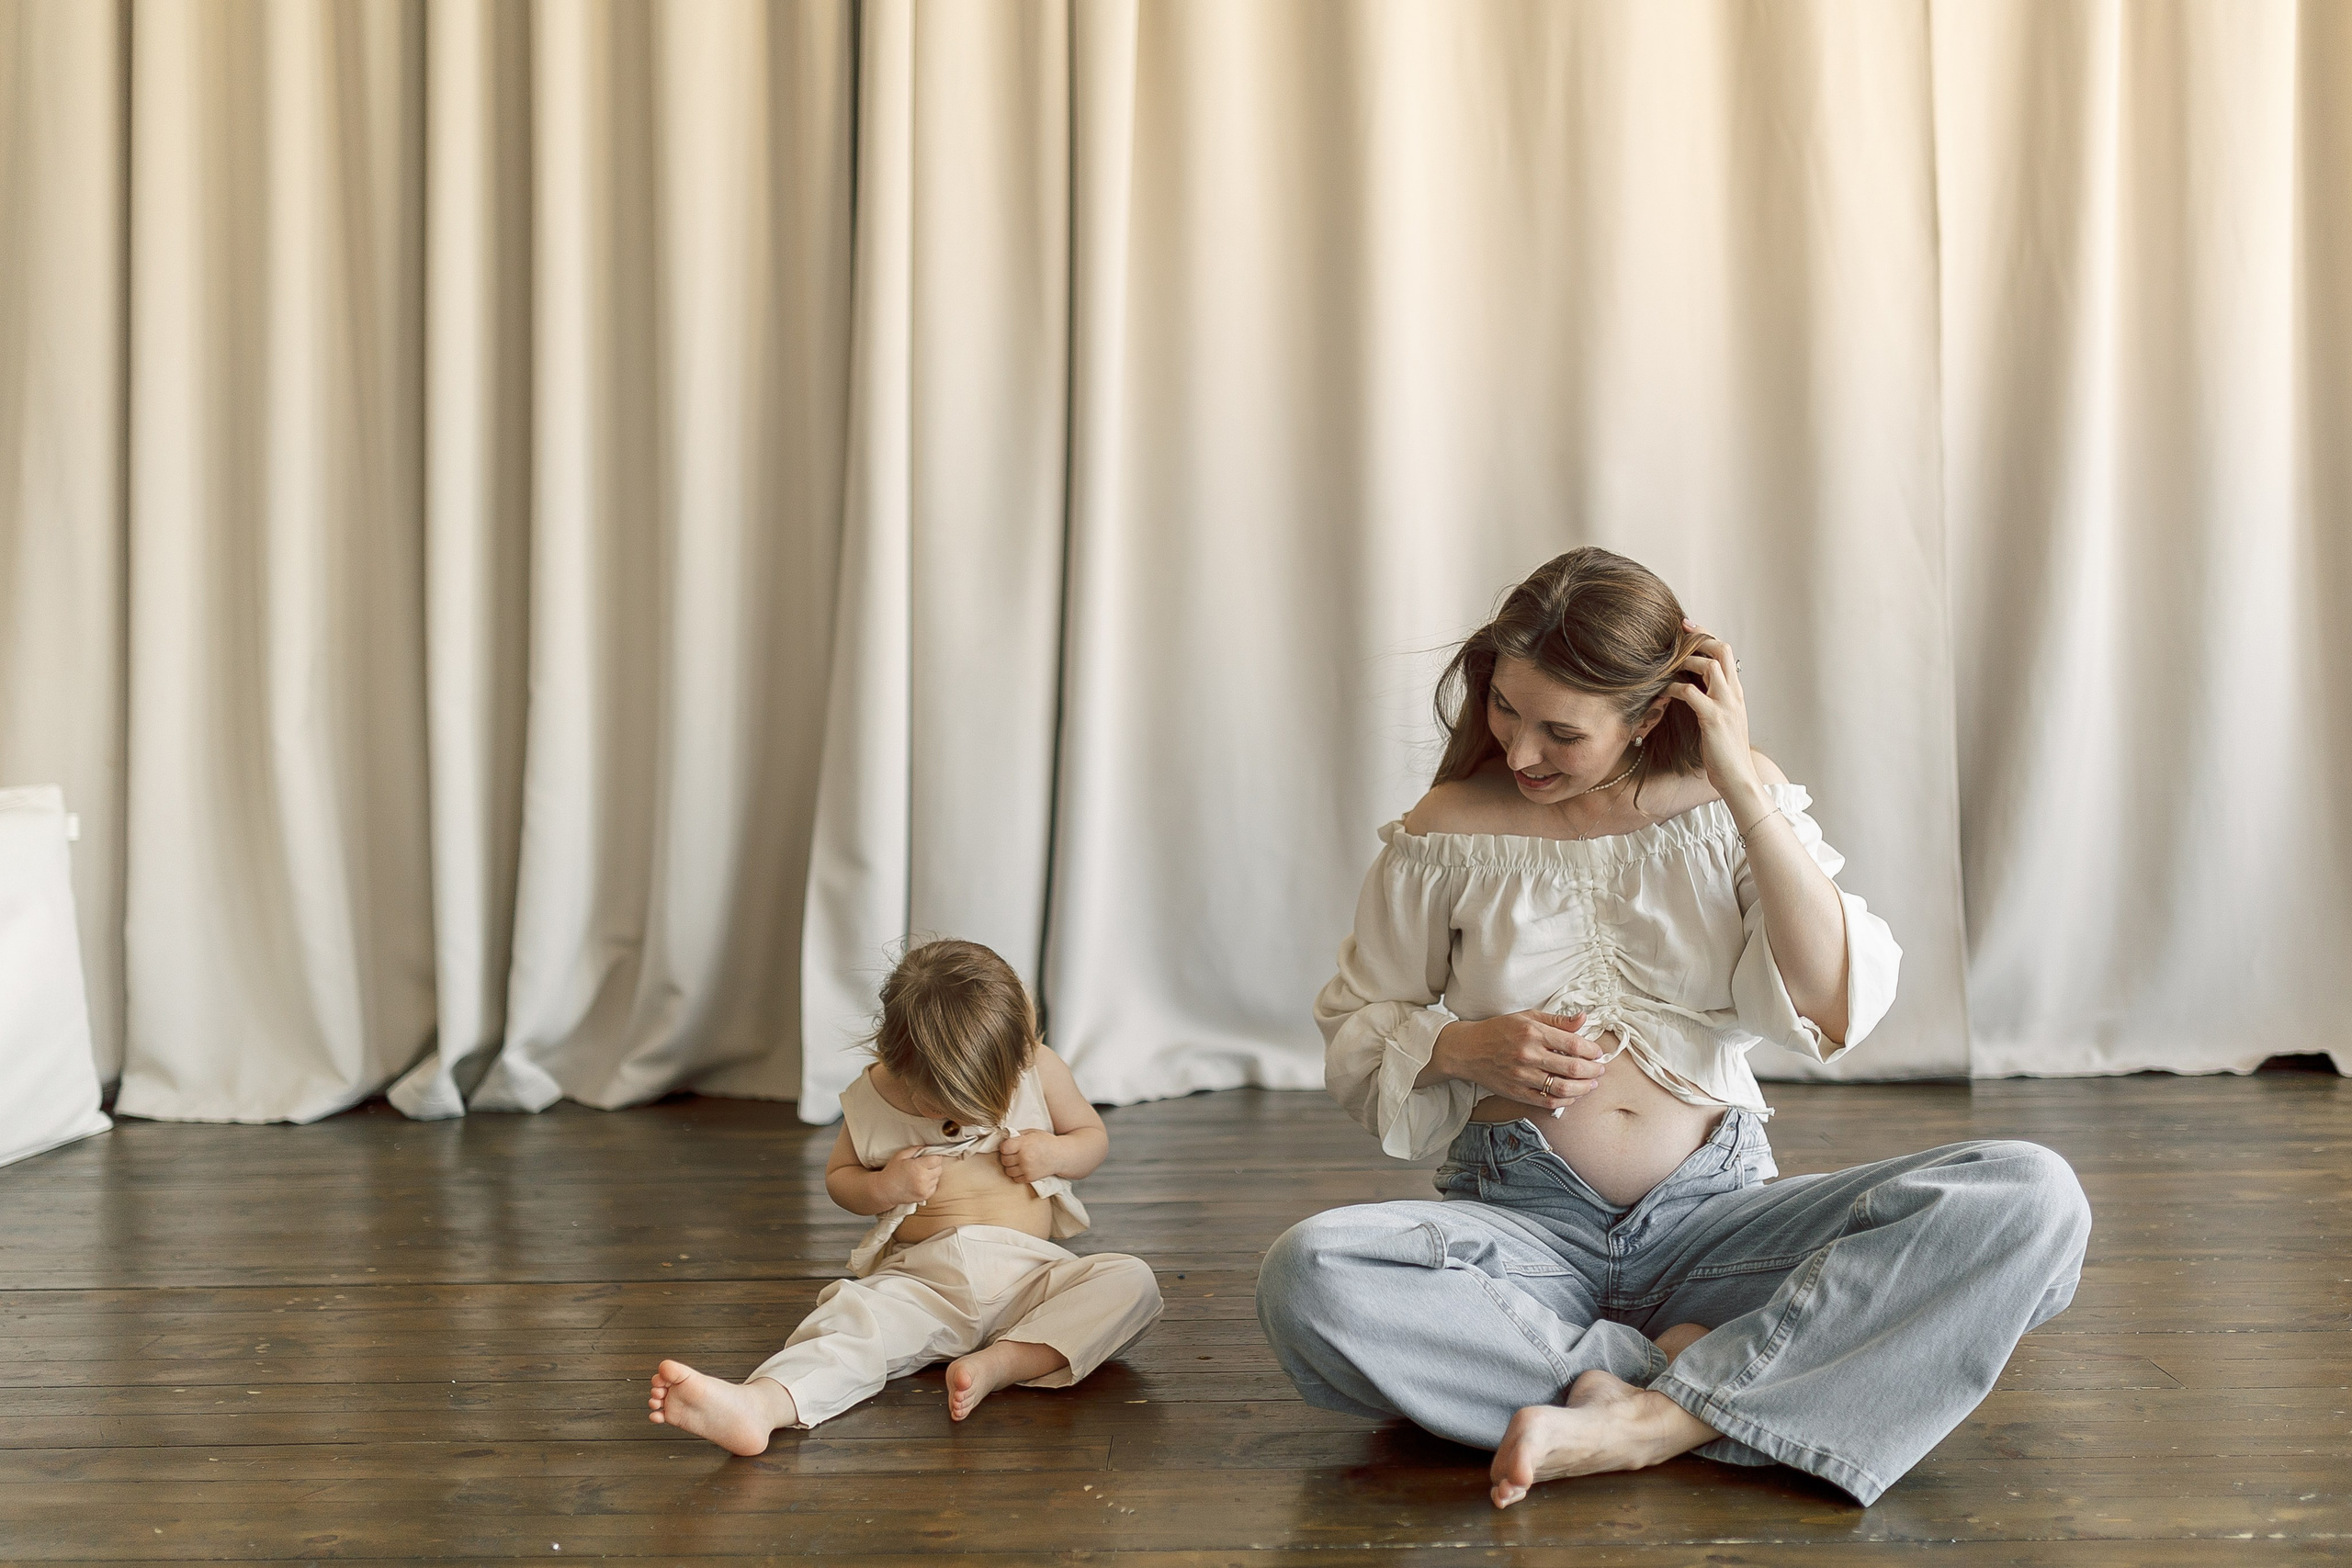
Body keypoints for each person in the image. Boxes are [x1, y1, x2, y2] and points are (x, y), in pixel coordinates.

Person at [1256, 547, 2090, 1509]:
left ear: (1652, 714)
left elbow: (1830, 1001)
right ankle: (1705, 1378)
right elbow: (1360, 1019)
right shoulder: (1444, 830)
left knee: (2031, 1198)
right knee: (1312, 1275)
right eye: (1504, 709)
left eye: (1560, 732)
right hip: (1523, 1231)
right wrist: (1459, 1047)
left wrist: (1741, 786)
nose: (1521, 751)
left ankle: (1654, 1419)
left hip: (1719, 1223)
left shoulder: (1729, 807)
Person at [646, 938, 1162, 1453]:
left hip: (1031, 1276)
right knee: (851, 1322)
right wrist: (883, 1186)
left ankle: (1003, 1362)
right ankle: (762, 1404)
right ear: (899, 1064)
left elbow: (1091, 1139)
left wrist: (1055, 1154)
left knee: (1130, 1281)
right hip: (922, 1283)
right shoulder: (873, 1097)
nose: (972, 1120)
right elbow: (840, 1179)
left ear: (1020, 1049)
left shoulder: (1038, 1066)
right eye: (951, 1107)